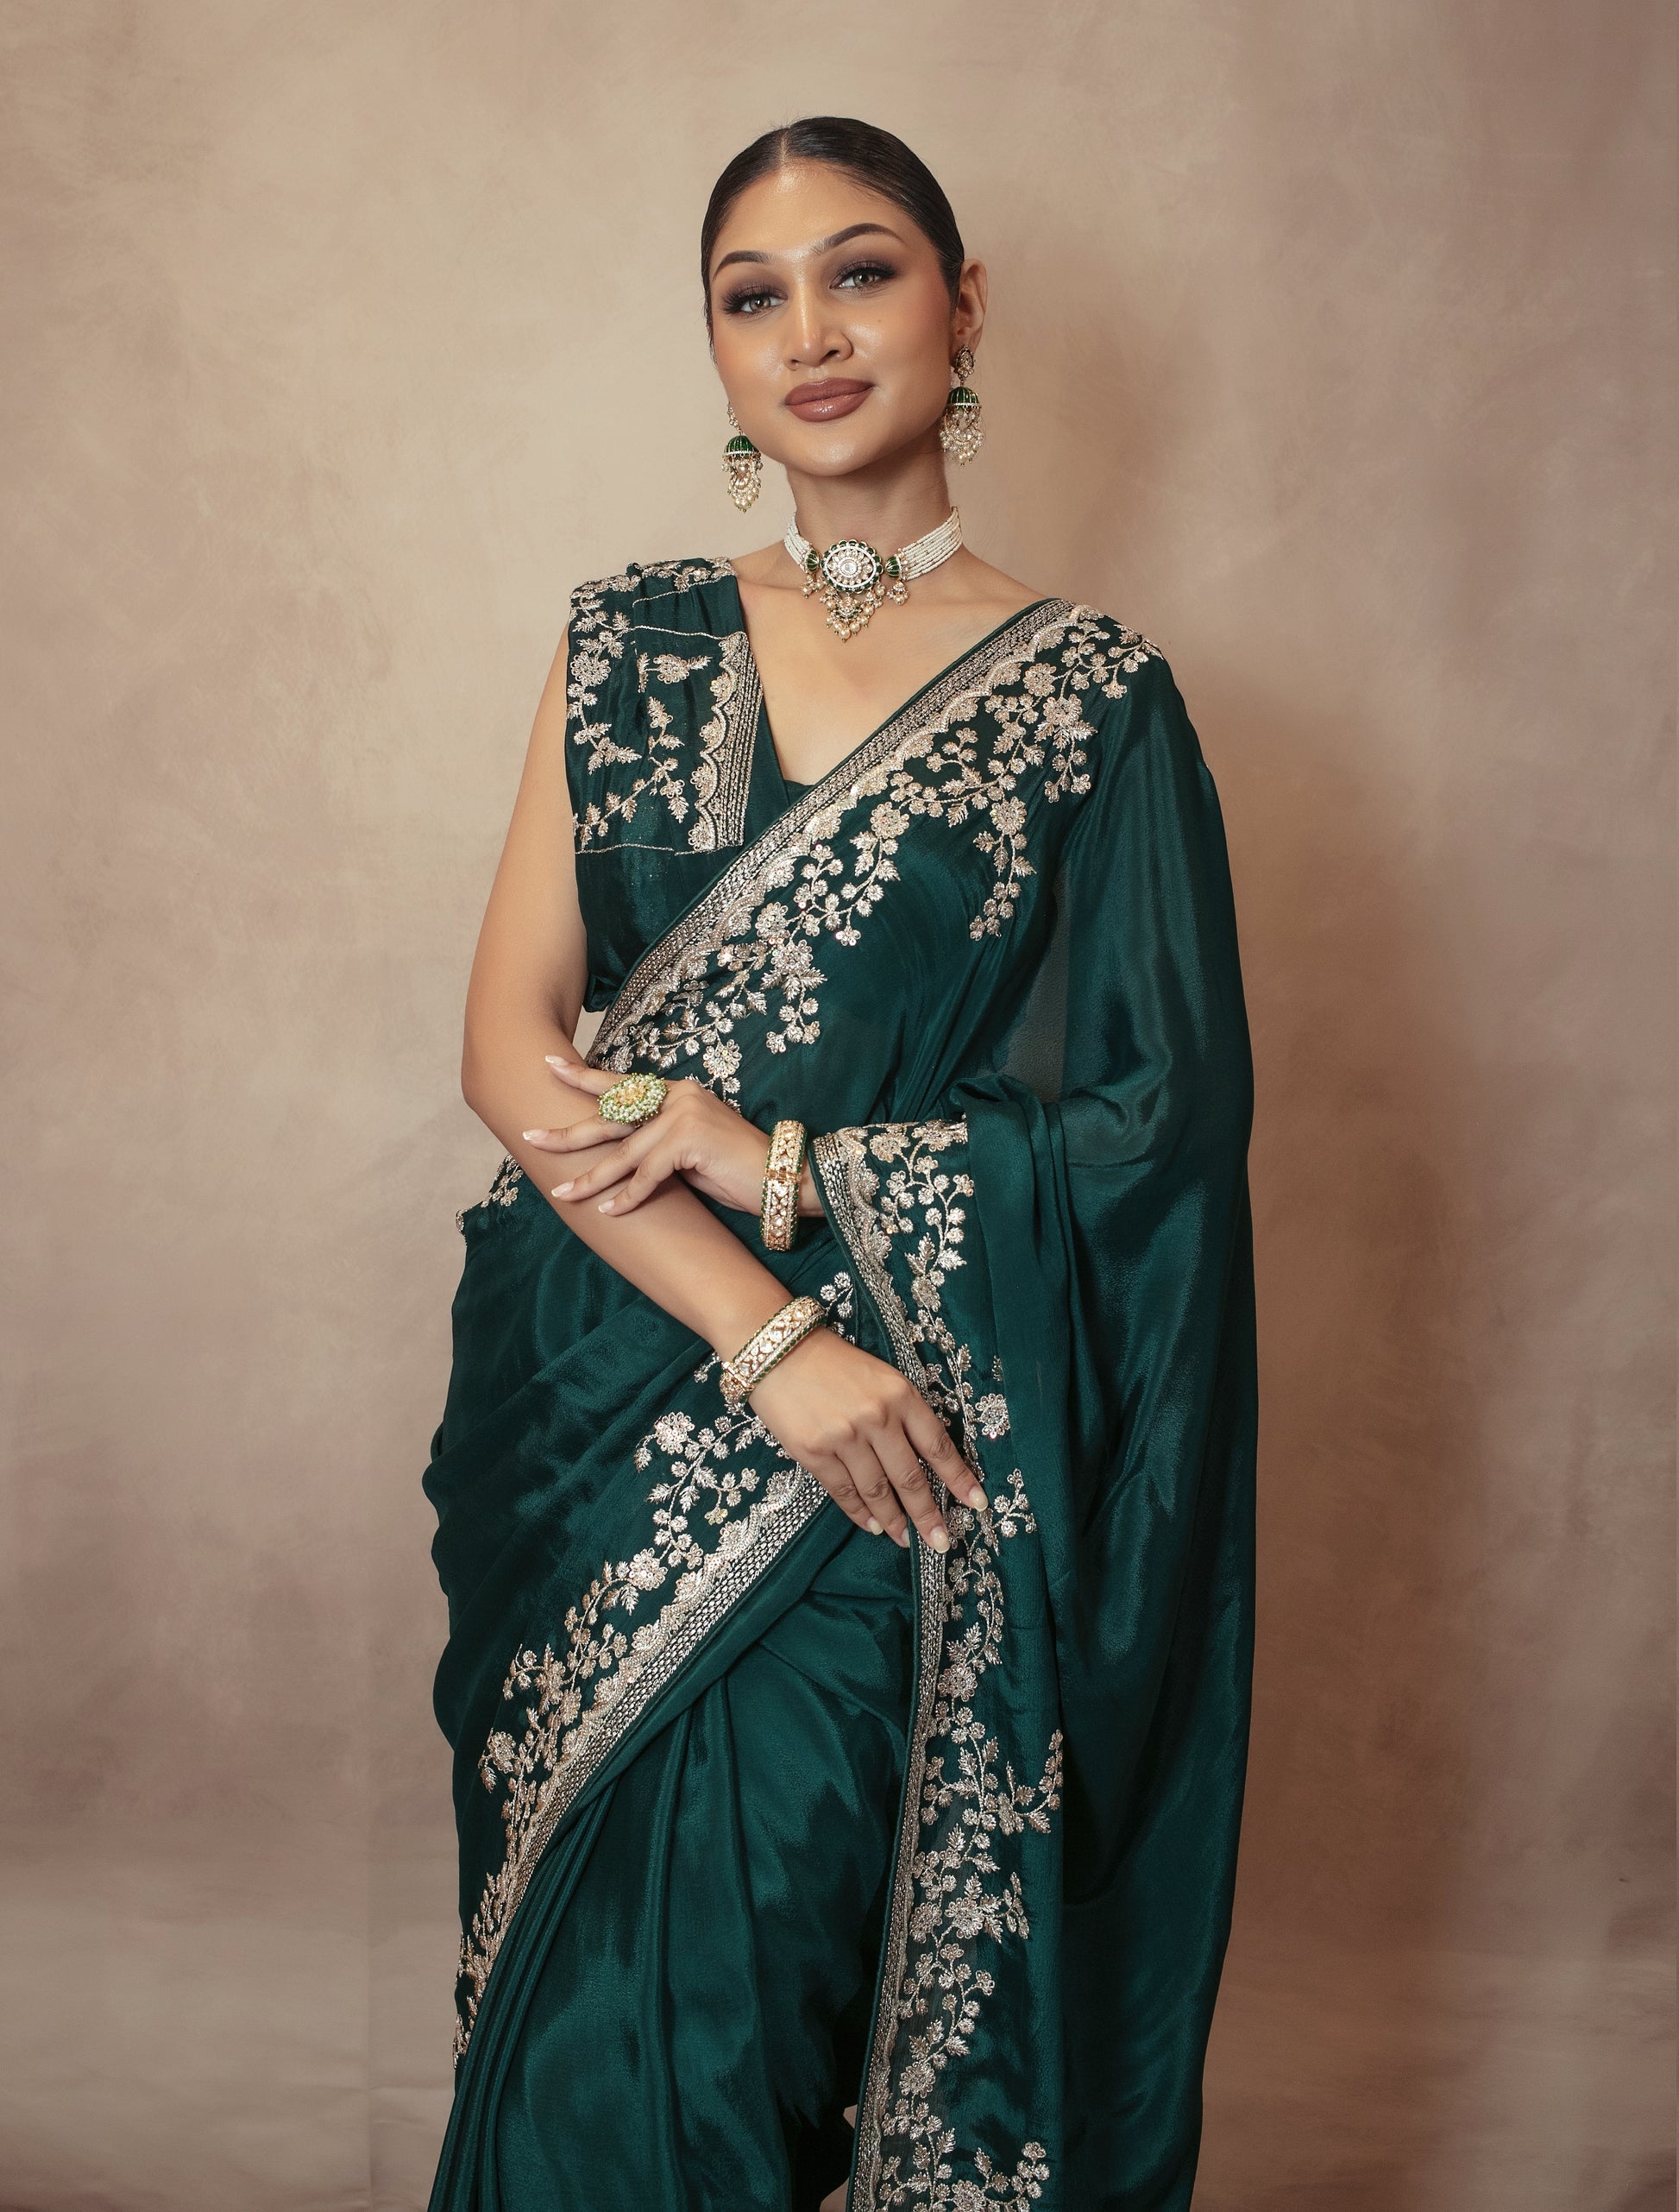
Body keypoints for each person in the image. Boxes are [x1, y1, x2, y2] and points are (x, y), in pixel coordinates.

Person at [424, 114, 1256, 2212]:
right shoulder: (627, 642)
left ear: (963, 309)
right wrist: (767, 1332)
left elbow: (1155, 1129)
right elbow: (511, 1049)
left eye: (862, 271)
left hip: (892, 1453)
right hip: (603, 1392)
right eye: (752, 294)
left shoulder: (1092, 703)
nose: (808, 331)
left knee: (756, 2002)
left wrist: (792, 1168)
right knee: (582, 2033)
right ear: (714, 349)